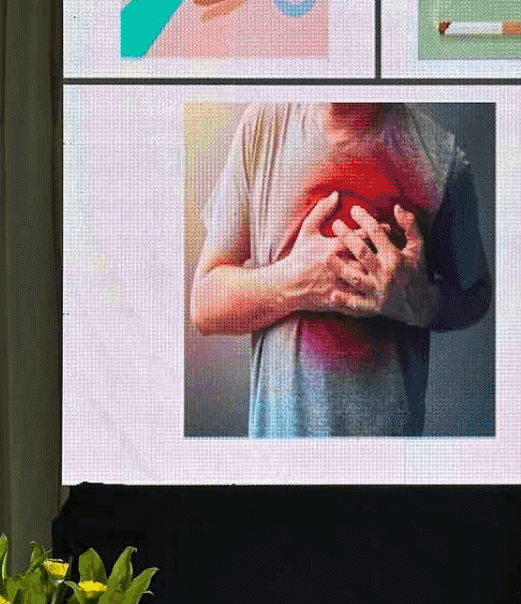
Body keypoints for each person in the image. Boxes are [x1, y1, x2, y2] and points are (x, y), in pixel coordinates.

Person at [186, 102, 480, 438]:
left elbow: (477, 295)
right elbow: (204, 306)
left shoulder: (442, 160)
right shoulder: (263, 126)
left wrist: (425, 302)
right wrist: (294, 281)